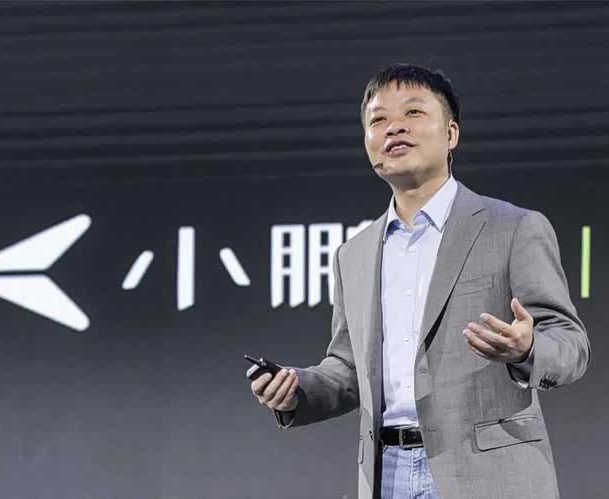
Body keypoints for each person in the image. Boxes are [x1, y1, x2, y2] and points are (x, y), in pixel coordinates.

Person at [248, 63, 590, 499]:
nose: (394, 128)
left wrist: (527, 350)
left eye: (413, 113)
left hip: (488, 473)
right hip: (386, 473)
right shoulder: (354, 255)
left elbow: (570, 344)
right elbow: (349, 369)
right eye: (378, 119)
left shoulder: (513, 227)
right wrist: (296, 388)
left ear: (451, 134)